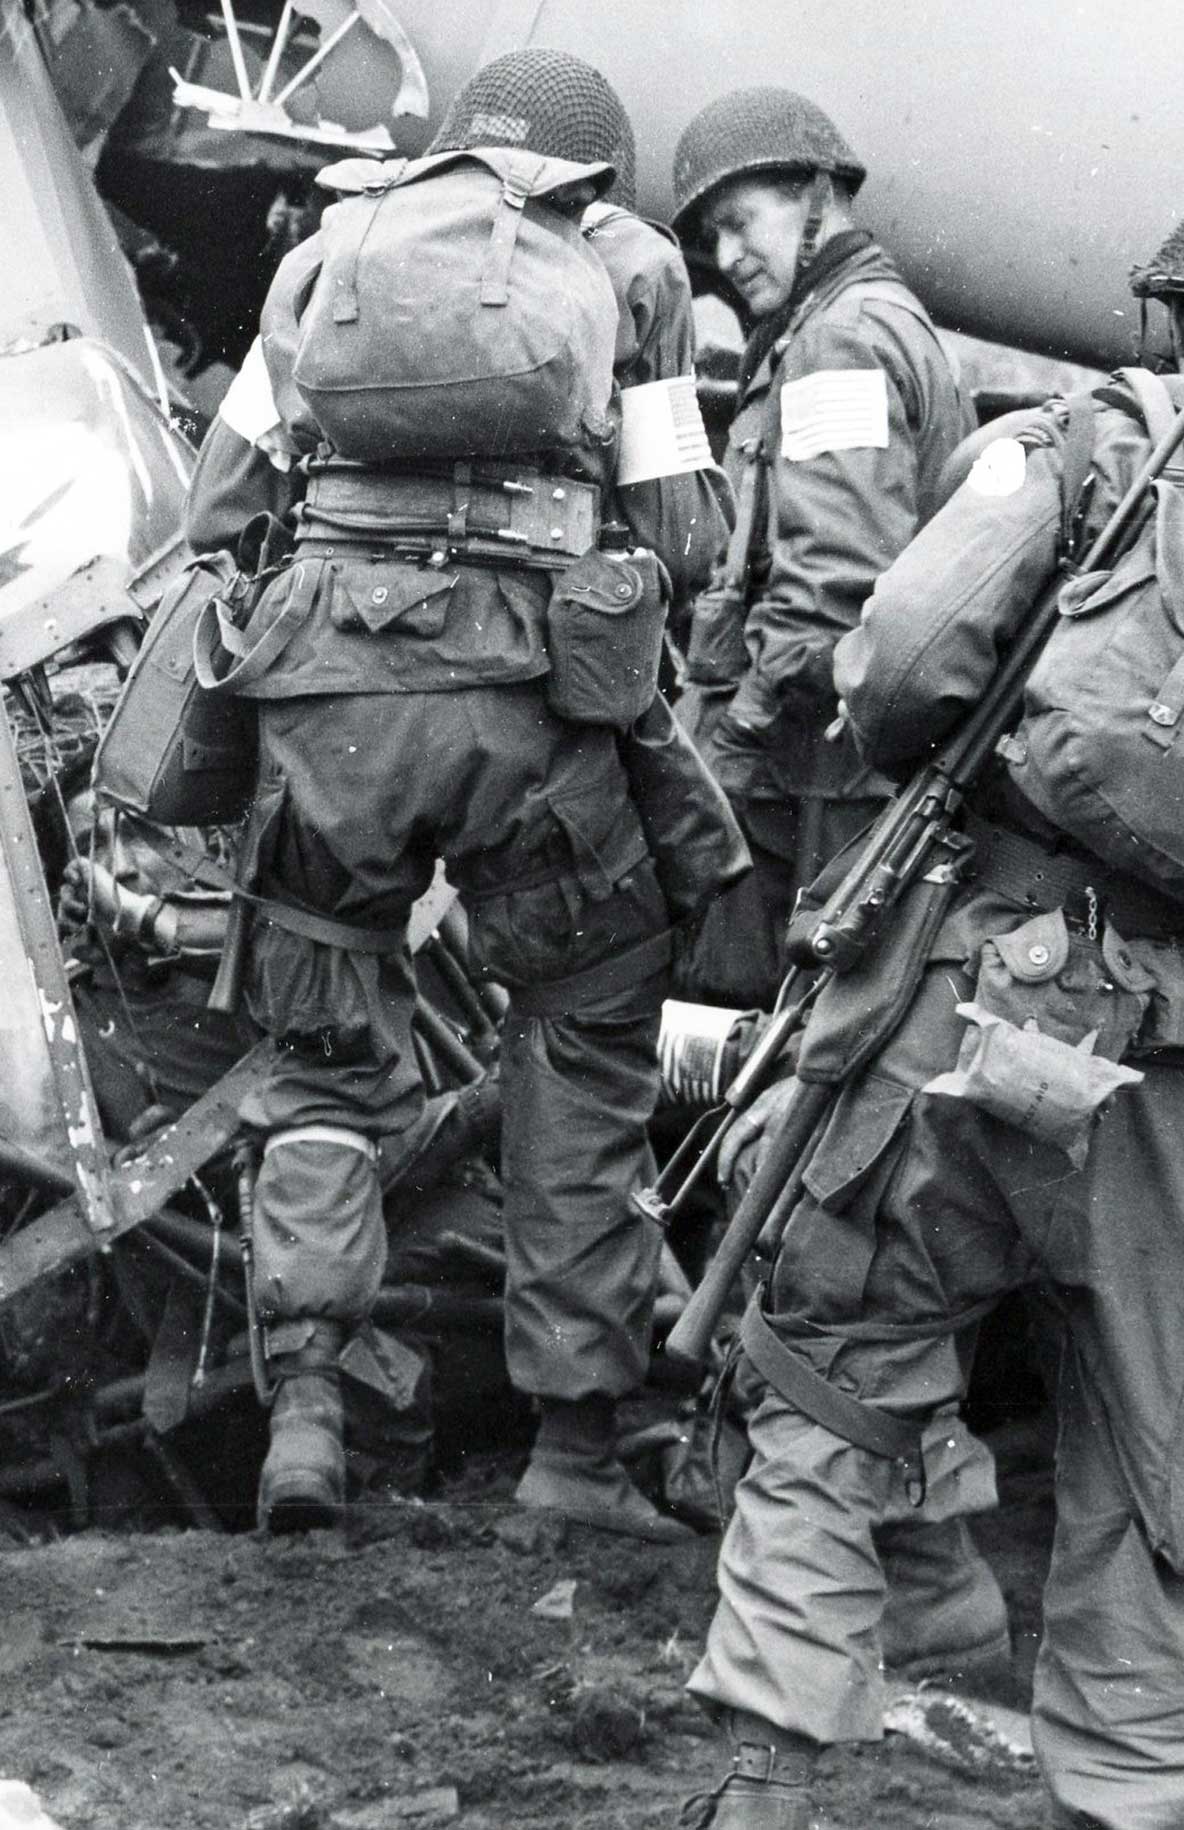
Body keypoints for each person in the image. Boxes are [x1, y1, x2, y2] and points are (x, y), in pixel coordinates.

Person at [683, 165, 1184, 1830]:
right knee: (1155, 1486)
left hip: (975, 1009)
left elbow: (898, 660)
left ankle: (759, 1791)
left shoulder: (1083, 446)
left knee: (833, 1392)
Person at [184, 48, 730, 1537]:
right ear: (589, 174)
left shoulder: (322, 258)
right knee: (583, 1025)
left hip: (325, 698)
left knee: (319, 1046)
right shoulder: (636, 267)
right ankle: (568, 1455)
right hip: (528, 709)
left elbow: (219, 508)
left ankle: (305, 1414)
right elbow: (681, 532)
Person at [668, 86, 974, 1010]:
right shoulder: (859, 319)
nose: (726, 257)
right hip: (821, 764)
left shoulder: (838, 338)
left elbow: (836, 584)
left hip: (802, 772)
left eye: (740, 222)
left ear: (814, 194)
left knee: (726, 1029)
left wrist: (727, 742)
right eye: (710, 237)